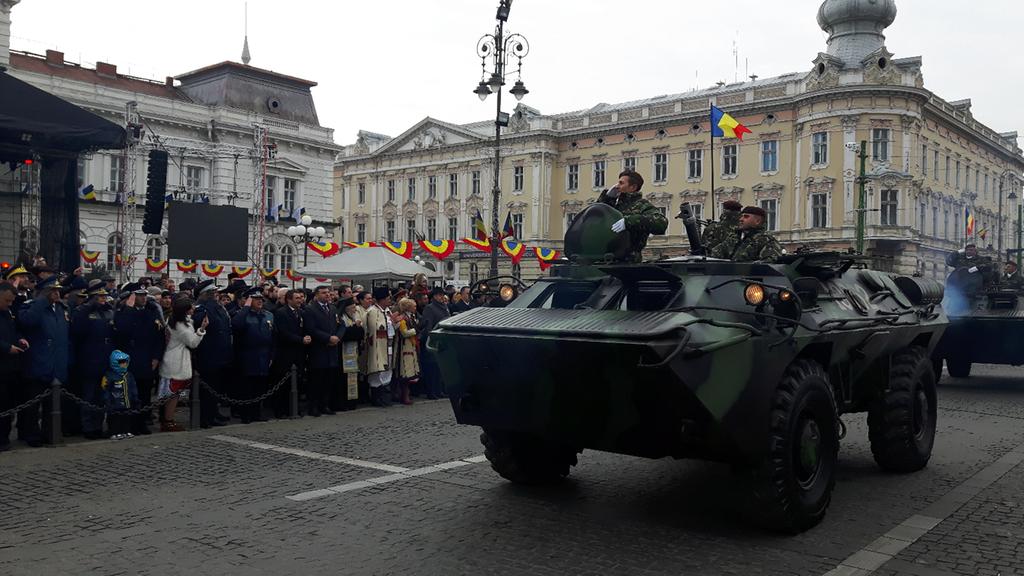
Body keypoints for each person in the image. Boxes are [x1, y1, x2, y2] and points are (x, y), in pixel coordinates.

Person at [16, 277, 69, 446]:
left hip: (57, 363)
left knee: (52, 405)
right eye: (52, 290)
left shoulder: (61, 309)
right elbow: (27, 321)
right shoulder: (32, 306)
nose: (57, 293)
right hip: (38, 363)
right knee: (32, 405)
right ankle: (31, 435)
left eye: (58, 290)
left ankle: (50, 433)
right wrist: (41, 301)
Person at [114, 286, 165, 435]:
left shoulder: (151, 311)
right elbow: (122, 330)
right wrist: (129, 309)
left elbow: (159, 336)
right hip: (130, 359)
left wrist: (156, 356)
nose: (144, 298)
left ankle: (142, 423)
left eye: (145, 295)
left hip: (147, 358)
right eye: (139, 295)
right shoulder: (123, 312)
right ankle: (130, 425)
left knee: (145, 394)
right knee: (130, 395)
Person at [71, 283, 117, 439]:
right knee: (89, 395)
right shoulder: (82, 311)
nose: (104, 299)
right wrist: (88, 307)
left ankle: (98, 425)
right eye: (100, 297)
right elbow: (77, 331)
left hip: (106, 359)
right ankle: (88, 427)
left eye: (104, 296)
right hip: (89, 358)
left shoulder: (109, 311)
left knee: (102, 396)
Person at [158, 297, 207, 431]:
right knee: (173, 394)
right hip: (177, 361)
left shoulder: (174, 320)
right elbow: (193, 342)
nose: (193, 309)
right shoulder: (182, 325)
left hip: (171, 358)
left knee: (171, 393)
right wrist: (201, 329)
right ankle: (168, 421)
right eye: (191, 307)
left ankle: (166, 419)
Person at [598, 170, 668, 261]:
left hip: (629, 261)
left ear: (633, 187)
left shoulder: (641, 205)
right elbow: (595, 217)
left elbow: (661, 223)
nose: (617, 186)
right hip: (604, 258)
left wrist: (628, 221)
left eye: (621, 183)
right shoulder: (615, 206)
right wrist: (607, 198)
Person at [192, 280, 232, 428]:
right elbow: (199, 325)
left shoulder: (217, 307)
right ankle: (206, 417)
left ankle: (213, 412)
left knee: (215, 388)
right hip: (208, 354)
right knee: (207, 389)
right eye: (213, 292)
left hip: (220, 353)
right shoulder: (202, 309)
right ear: (206, 294)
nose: (217, 294)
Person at [231, 288, 275, 423]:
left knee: (260, 387)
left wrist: (272, 355)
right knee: (247, 388)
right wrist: (246, 308)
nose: (260, 301)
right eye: (256, 299)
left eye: (261, 299)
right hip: (247, 356)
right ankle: (246, 414)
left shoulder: (268, 315)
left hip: (264, 356)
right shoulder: (242, 314)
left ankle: (257, 413)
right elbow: (236, 325)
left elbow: (274, 336)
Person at [303, 285, 345, 416]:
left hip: (332, 350)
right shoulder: (310, 309)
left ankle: (324, 405)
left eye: (328, 292)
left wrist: (337, 337)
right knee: (317, 380)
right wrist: (328, 338)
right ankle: (313, 406)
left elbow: (341, 325)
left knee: (328, 380)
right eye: (323, 293)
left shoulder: (332, 308)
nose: (327, 295)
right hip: (319, 349)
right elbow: (311, 329)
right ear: (316, 295)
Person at [272, 289, 309, 418]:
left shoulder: (301, 312)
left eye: (301, 298)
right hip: (285, 353)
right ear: (289, 300)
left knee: (297, 382)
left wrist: (307, 337)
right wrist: (300, 339)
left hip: (299, 353)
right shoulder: (281, 313)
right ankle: (281, 410)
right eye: (297, 298)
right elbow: (283, 333)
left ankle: (294, 408)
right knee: (284, 384)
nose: (300, 300)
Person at [0, 282, 27, 451]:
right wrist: (6, 348)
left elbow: (13, 330)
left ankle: (4, 437)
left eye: (11, 301)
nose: (9, 304)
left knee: (8, 404)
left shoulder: (7, 313)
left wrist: (19, 339)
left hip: (10, 366)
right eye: (7, 300)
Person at [711, 206, 783, 263]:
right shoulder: (734, 237)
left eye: (746, 217)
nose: (741, 219)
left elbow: (769, 262)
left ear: (757, 221)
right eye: (741, 216)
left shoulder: (766, 240)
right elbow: (715, 253)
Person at [417, 287, 450, 400]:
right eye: (440, 295)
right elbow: (428, 325)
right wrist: (431, 339)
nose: (442, 297)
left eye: (442, 295)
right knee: (432, 368)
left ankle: (439, 390)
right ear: (434, 296)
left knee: (440, 368)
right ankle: (431, 391)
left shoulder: (445, 307)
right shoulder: (430, 308)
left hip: (443, 341)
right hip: (433, 341)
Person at [101, 350, 139, 440]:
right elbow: (106, 390)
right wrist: (107, 401)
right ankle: (114, 432)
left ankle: (126, 431)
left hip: (127, 402)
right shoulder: (109, 376)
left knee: (127, 418)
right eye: (122, 362)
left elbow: (133, 387)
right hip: (115, 403)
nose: (124, 364)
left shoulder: (129, 375)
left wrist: (135, 398)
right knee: (114, 418)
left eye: (126, 362)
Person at [365, 286, 393, 407]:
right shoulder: (372, 311)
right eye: (388, 298)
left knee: (387, 369)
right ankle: (376, 397)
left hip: (389, 344)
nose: (390, 300)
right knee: (377, 371)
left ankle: (384, 396)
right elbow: (373, 329)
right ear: (382, 299)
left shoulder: (388, 311)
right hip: (377, 345)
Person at [338, 295, 365, 410]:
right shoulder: (341, 318)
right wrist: (355, 328)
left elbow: (360, 333)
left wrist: (357, 328)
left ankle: (352, 402)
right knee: (343, 379)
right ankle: (343, 403)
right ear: (346, 308)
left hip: (353, 352)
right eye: (353, 307)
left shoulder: (353, 318)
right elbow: (344, 334)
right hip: (342, 353)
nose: (355, 310)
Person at [392, 298, 420, 405]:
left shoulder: (411, 317)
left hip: (411, 346)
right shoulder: (403, 318)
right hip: (404, 347)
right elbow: (404, 333)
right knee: (405, 372)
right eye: (414, 306)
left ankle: (406, 395)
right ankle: (404, 396)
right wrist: (416, 330)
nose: (415, 308)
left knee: (410, 372)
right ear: (408, 307)